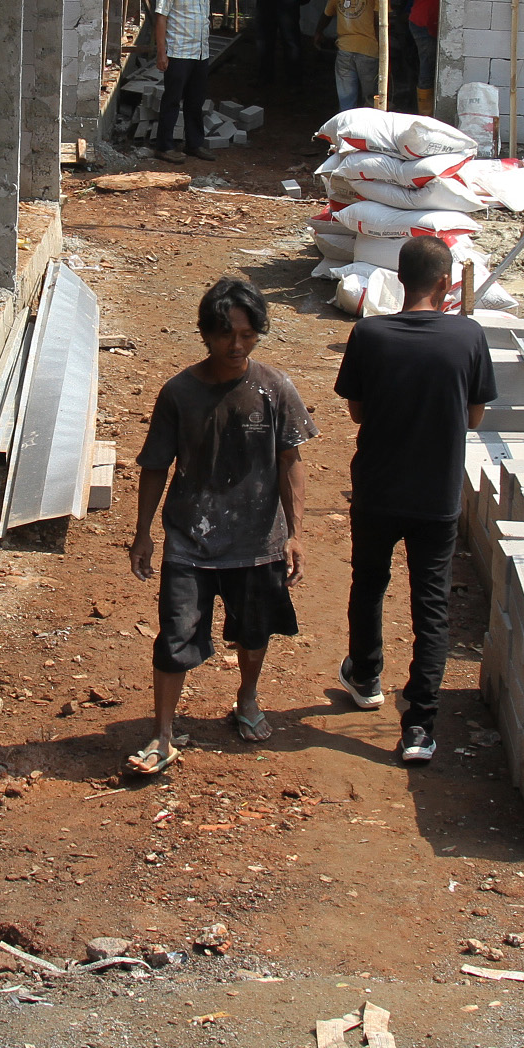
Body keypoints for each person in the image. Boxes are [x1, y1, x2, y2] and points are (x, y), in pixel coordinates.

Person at [125, 276, 315, 775]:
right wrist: (143, 533)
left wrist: (295, 533)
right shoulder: (179, 393)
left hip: (258, 541)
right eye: (226, 334)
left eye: (248, 335)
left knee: (254, 632)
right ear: (205, 333)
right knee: (175, 637)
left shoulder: (274, 389)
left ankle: (247, 699)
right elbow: (155, 466)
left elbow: (289, 460)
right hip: (190, 541)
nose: (236, 346)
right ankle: (163, 734)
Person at [333, 235, 495, 765]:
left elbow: (358, 411)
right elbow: (474, 418)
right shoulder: (468, 336)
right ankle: (420, 726)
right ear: (446, 283)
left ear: (399, 279)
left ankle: (366, 675)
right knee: (430, 605)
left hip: (378, 490)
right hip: (436, 495)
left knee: (369, 582)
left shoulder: (369, 334)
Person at [147, 0, 215, 163]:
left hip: (200, 52)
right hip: (178, 51)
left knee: (196, 101)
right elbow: (161, 17)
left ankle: (194, 143)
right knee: (172, 100)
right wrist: (161, 52)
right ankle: (164, 146)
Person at [321, 0, 382, 112]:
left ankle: (346, 128)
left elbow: (327, 14)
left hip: (344, 50)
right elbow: (379, 22)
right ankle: (368, 128)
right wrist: (384, 51)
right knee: (371, 100)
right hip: (369, 51)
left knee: (346, 101)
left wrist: (318, 32)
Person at [407, 0, 442, 118]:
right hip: (425, 21)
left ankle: (425, 111)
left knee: (427, 66)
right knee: (428, 68)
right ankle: (425, 116)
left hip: (423, 18)